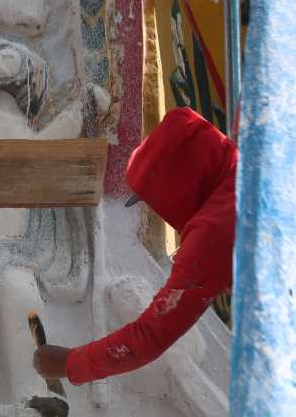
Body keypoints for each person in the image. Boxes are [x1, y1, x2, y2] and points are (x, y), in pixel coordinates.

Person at [33, 107, 237, 385]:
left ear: (174, 186)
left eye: (157, 199)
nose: (161, 211)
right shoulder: (252, 163)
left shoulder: (214, 231)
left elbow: (151, 335)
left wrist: (70, 363)